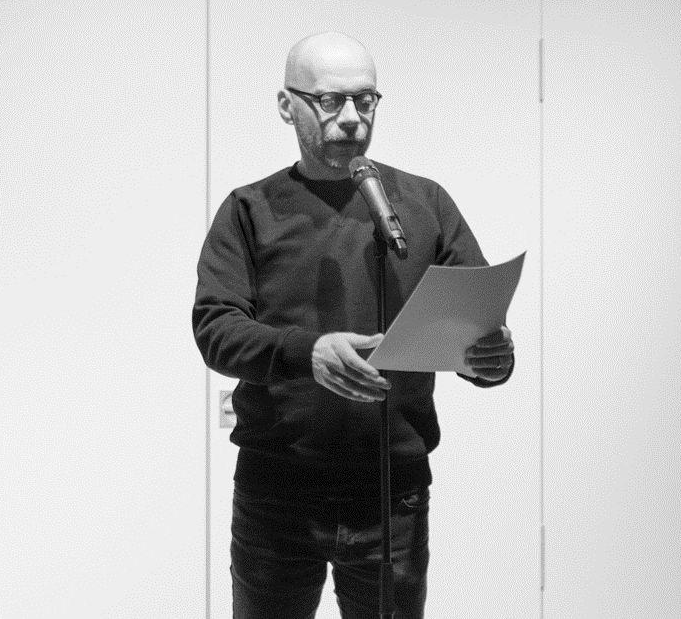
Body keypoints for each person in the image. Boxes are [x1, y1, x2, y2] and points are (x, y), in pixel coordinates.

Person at [192, 31, 515, 619]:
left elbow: (476, 321)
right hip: (277, 489)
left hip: (391, 492)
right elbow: (216, 329)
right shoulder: (250, 209)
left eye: (365, 101)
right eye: (329, 101)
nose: (350, 118)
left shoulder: (423, 204)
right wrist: (308, 352)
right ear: (287, 104)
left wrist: (491, 359)